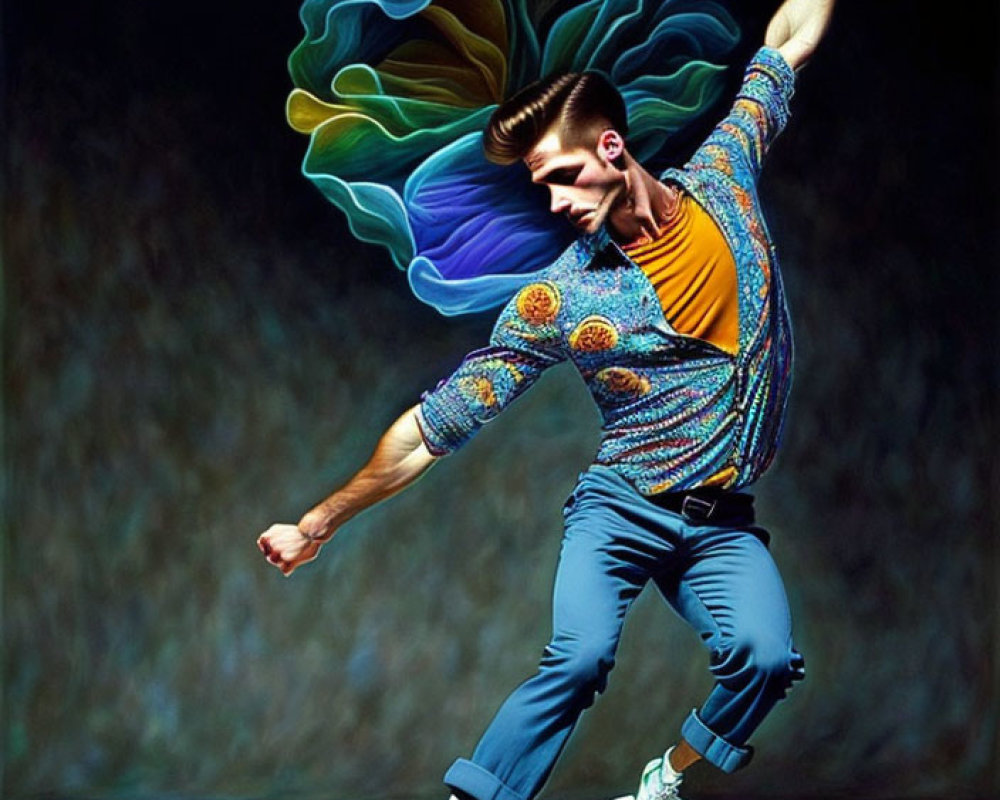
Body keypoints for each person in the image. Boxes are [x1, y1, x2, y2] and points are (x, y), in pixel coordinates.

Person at [257, 1, 836, 798]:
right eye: (542, 187)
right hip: (621, 509)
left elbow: (786, 43)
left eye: (563, 176)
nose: (557, 202)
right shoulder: (558, 300)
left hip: (720, 522)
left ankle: (664, 779)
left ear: (611, 147)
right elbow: (435, 427)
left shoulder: (724, 170)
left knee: (767, 660)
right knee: (580, 656)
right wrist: (316, 522)